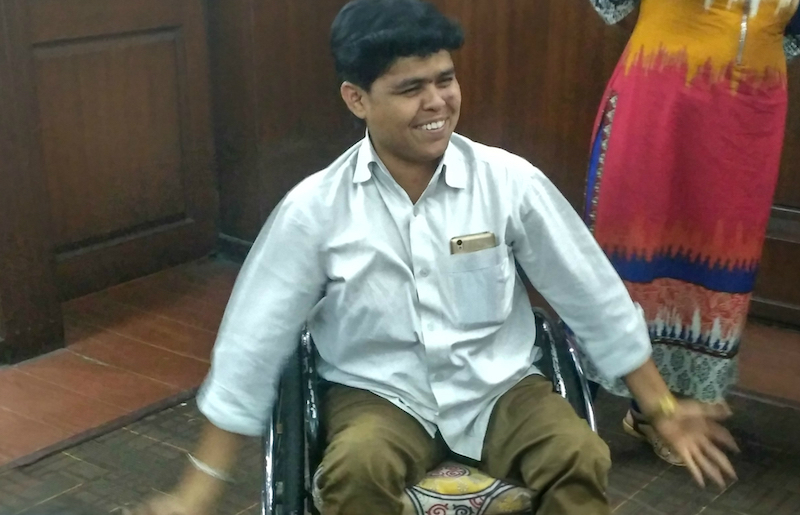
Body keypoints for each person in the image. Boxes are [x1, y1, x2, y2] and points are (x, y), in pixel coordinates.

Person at [130, 1, 739, 514]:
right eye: (409, 88)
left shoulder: (508, 182)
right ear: (356, 98)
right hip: (378, 393)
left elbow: (594, 297)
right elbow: (251, 346)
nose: (437, 102)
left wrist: (661, 409)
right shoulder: (314, 210)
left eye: (444, 80)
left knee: (579, 456)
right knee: (353, 475)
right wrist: (198, 490)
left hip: (498, 386)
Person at [584, 0, 800, 465]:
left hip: (746, 114)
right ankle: (640, 403)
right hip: (659, 100)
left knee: (719, 255)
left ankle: (680, 398)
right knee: (637, 251)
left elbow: (789, 36)